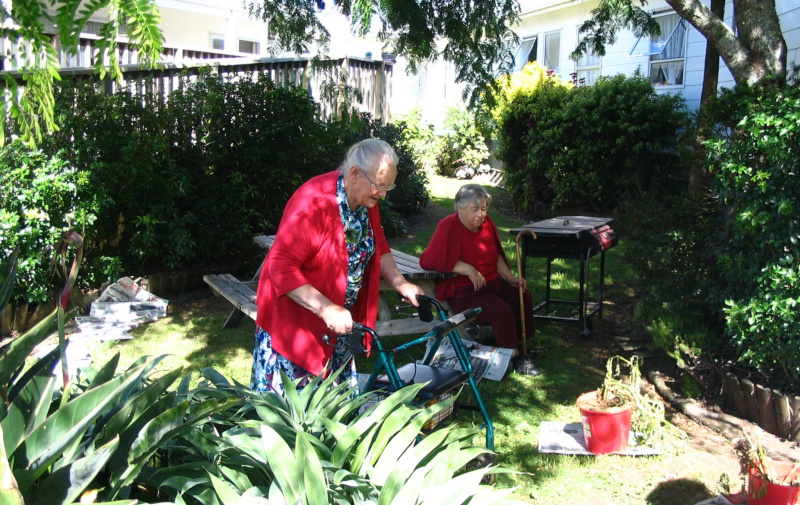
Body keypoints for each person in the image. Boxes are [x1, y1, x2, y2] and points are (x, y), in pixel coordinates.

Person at [251, 139, 426, 393]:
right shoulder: (313, 203)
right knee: (295, 423)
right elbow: (281, 268)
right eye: (379, 185)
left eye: (389, 186)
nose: (384, 194)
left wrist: (400, 283)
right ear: (355, 173)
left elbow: (379, 244)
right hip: (296, 327)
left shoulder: (365, 199)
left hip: (338, 325)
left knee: (336, 413)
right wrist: (326, 308)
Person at [419, 184, 540, 376]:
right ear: (460, 208)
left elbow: (495, 254)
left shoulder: (487, 224)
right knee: (500, 311)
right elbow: (429, 260)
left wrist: (509, 277)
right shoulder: (448, 225)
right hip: (465, 292)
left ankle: (520, 345)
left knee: (522, 296)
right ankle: (515, 356)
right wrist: (466, 268)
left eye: (483, 209)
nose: (480, 214)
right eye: (474, 210)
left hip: (493, 284)